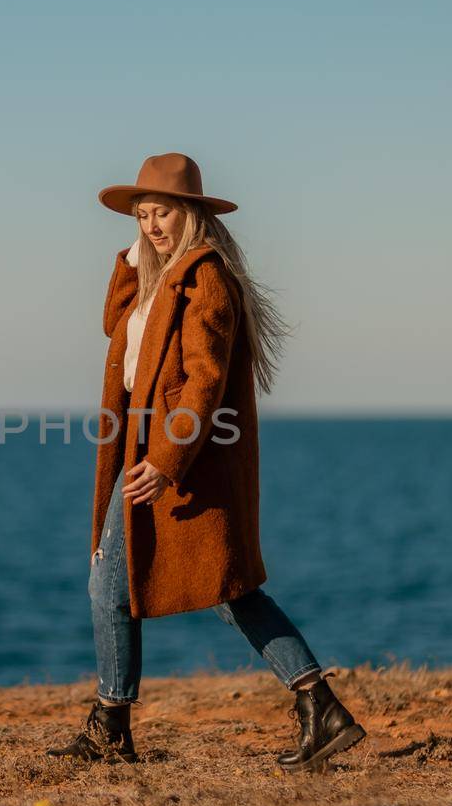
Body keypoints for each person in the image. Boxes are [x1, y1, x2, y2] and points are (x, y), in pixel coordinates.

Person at [46, 152, 365, 772]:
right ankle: (319, 706)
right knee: (226, 589)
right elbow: (115, 324)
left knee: (113, 579)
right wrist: (134, 260)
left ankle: (112, 726)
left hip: (179, 455)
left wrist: (167, 461)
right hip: (148, 448)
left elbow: (204, 382)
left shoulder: (205, 277)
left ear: (190, 212)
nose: (151, 225)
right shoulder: (162, 278)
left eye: (161, 212)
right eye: (141, 216)